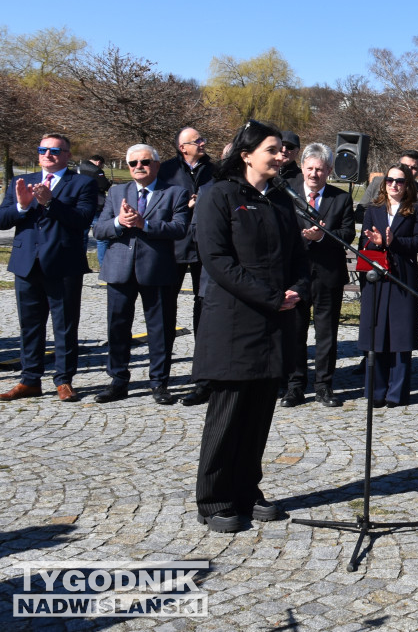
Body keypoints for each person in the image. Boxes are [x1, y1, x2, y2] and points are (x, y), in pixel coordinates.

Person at [193, 120, 309, 533]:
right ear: (246, 154)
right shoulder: (218, 195)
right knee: (228, 415)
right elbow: (218, 261)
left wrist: (296, 288)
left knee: (259, 415)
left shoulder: (279, 200)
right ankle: (215, 499)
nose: (282, 156)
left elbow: (298, 256)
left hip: (275, 322)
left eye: (283, 150)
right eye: (274, 149)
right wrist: (271, 296)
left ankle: (246, 490)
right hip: (234, 322)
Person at [0, 134, 97, 403]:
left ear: (67, 154)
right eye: (43, 149)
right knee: (29, 325)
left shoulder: (83, 183)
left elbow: (81, 220)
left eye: (55, 150)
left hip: (63, 264)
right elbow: (2, 219)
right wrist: (22, 205)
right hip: (26, 263)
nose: (48, 154)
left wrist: (51, 203)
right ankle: (29, 379)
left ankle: (63, 380)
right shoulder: (23, 181)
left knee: (64, 325)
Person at [92, 145, 190, 405]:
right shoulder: (115, 192)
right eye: (133, 162)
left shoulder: (175, 193)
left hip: (156, 270)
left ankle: (159, 382)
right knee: (118, 327)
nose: (138, 166)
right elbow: (99, 231)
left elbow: (180, 229)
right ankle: (118, 381)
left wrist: (143, 224)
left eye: (145, 161)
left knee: (160, 329)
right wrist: (119, 223)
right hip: (119, 269)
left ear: (156, 165)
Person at [280, 143, 356, 409]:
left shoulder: (341, 198)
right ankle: (295, 386)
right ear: (302, 168)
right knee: (295, 333)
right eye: (310, 168)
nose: (314, 174)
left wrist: (323, 235)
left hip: (328, 276)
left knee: (326, 335)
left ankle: (324, 386)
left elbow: (348, 235)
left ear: (329, 171)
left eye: (320, 170)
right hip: (294, 276)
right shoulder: (286, 194)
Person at [358, 164, 418, 407]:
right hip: (377, 278)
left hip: (402, 276)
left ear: (408, 184)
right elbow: (363, 244)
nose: (394, 185)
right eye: (389, 180)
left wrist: (393, 241)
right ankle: (375, 393)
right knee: (376, 333)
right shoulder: (373, 209)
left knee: (400, 336)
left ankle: (396, 394)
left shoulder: (415, 210)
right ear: (384, 183)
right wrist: (377, 243)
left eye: (399, 181)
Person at [159, 127, 217, 406]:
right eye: (198, 141)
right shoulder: (165, 171)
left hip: (204, 247)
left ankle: (203, 379)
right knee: (164, 312)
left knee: (204, 310)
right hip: (173, 246)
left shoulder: (214, 170)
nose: (203, 143)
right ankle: (161, 380)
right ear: (183, 147)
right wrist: (184, 206)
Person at [356, 150, 418, 225]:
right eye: (405, 166)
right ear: (398, 164)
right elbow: (359, 214)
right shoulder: (377, 183)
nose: (409, 170)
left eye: (414, 168)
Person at [76, 154, 111, 267]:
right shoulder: (96, 170)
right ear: (98, 162)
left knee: (82, 237)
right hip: (96, 205)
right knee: (102, 237)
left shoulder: (77, 168)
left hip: (79, 205)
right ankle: (103, 265)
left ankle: (80, 263)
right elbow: (104, 186)